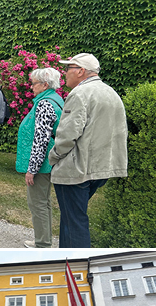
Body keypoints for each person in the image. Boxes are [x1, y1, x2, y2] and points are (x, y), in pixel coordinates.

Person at [49, 53, 127, 248]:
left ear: (81, 71)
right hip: (100, 168)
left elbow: (67, 135)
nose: (64, 73)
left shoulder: (80, 94)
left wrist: (54, 157)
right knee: (71, 219)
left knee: (74, 222)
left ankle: (78, 268)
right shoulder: (111, 92)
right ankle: (65, 259)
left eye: (68, 68)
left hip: (77, 169)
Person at [15, 67, 64, 248]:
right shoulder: (55, 99)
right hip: (49, 161)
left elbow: (41, 140)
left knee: (37, 204)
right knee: (44, 202)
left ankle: (42, 243)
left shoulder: (45, 104)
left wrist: (31, 169)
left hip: (42, 163)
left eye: (34, 84)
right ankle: (44, 239)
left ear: (44, 85)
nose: (31, 87)